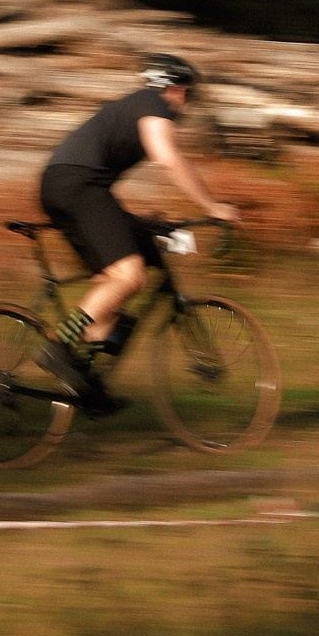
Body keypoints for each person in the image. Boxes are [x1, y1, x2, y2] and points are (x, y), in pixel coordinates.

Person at [37, 52, 241, 397]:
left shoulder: (131, 107)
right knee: (131, 276)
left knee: (112, 285)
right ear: (174, 88)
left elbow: (103, 197)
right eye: (188, 94)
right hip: (79, 187)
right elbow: (168, 158)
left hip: (65, 186)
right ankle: (59, 346)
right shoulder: (151, 101)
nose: (185, 105)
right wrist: (212, 205)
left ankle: (88, 388)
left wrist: (140, 222)